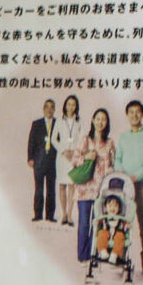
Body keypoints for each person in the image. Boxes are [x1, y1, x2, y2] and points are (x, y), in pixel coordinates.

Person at [116, 99, 143, 276]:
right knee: (123, 222)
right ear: (127, 115)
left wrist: (136, 175)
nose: (134, 115)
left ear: (142, 114)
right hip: (125, 184)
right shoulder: (123, 137)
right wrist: (123, 174)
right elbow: (117, 158)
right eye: (131, 112)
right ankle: (120, 258)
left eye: (137, 111)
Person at [72, 108, 114, 266]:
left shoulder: (110, 143)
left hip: (101, 190)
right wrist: (86, 157)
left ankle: (92, 254)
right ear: (92, 120)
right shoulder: (85, 139)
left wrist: (109, 175)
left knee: (97, 224)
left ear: (107, 123)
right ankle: (83, 257)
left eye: (103, 119)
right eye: (98, 118)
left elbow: (111, 164)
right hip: (84, 189)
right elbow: (75, 160)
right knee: (84, 223)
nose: (100, 122)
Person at [52, 95, 84, 228]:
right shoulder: (59, 121)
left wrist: (74, 152)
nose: (71, 107)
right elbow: (54, 139)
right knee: (62, 186)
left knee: (72, 186)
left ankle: (70, 215)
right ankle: (63, 214)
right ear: (65, 105)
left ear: (76, 107)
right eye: (69, 104)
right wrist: (64, 151)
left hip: (74, 157)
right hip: (62, 157)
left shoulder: (79, 121)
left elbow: (82, 139)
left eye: (73, 104)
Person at [27, 100, 58, 222]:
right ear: (43, 109)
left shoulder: (58, 123)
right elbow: (31, 142)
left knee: (51, 189)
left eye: (52, 108)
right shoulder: (36, 124)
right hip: (39, 161)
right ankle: (38, 215)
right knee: (38, 189)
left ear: (54, 110)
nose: (49, 110)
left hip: (52, 162)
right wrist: (30, 158)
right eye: (47, 107)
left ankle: (50, 216)